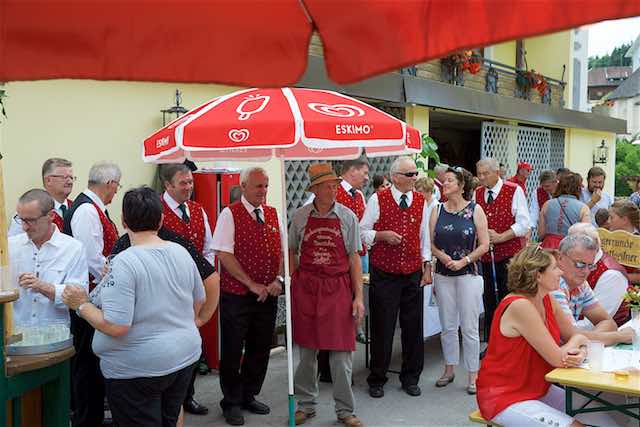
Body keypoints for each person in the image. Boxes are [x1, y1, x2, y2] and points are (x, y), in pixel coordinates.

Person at [62, 187, 205, 427]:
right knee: (169, 420)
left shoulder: (125, 261)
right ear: (161, 220)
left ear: (123, 221)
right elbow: (198, 300)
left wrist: (81, 305)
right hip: (182, 357)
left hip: (137, 369)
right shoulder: (180, 251)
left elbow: (116, 325)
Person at [477, 245, 589, 427]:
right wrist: (578, 341)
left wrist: (582, 349)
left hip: (536, 388)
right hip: (504, 396)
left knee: (600, 410)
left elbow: (574, 336)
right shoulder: (520, 305)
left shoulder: (547, 298)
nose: (561, 272)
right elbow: (560, 358)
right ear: (538, 275)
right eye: (555, 268)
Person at [289, 163, 365, 427]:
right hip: (308, 290)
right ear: (315, 189)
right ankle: (305, 405)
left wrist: (358, 297)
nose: (334, 190)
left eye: (335, 186)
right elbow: (291, 251)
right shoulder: (300, 217)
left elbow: (354, 258)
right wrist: (293, 283)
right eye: (328, 186)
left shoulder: (347, 217)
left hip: (337, 289)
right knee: (307, 354)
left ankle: (345, 410)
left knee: (341, 355)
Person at [212, 167, 284, 426]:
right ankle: (231, 401)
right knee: (233, 350)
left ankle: (248, 395)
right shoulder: (229, 214)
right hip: (237, 296)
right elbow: (223, 254)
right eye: (258, 186)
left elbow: (282, 252)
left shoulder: (273, 213)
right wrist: (251, 284)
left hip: (268, 295)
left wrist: (278, 280)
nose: (263, 191)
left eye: (266, 186)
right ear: (243, 186)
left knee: (260, 348)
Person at [361, 156, 432, 398]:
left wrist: (427, 266)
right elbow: (363, 231)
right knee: (383, 326)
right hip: (384, 273)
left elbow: (425, 237)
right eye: (410, 174)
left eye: (415, 174)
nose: (415, 178)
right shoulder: (377, 199)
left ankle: (411, 377)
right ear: (395, 177)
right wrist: (381, 235)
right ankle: (377, 378)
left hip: (412, 271)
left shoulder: (421, 201)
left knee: (413, 327)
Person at [63, 160, 121, 427]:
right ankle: (87, 420)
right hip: (89, 297)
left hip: (93, 295)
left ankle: (92, 416)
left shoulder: (92, 207)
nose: (116, 192)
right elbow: (91, 258)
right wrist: (113, 281)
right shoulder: (87, 210)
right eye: (117, 187)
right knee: (86, 364)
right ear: (110, 184)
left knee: (92, 363)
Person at [159, 163, 214, 415]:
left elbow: (208, 249)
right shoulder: (157, 211)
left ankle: (187, 396)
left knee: (192, 343)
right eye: (183, 183)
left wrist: (203, 278)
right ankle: (167, 399)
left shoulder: (197, 210)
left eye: (190, 182)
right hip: (166, 290)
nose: (189, 187)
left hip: (194, 289)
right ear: (167, 185)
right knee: (169, 345)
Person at [430, 167, 489, 394]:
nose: (444, 184)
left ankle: (473, 374)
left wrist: (464, 260)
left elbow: (484, 244)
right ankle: (449, 369)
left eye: (449, 181)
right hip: (443, 273)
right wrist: (442, 256)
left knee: (469, 326)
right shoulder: (437, 209)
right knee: (447, 325)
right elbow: (430, 242)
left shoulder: (475, 210)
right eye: (444, 181)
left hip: (468, 274)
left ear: (461, 185)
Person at [10, 189, 88, 328]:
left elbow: (79, 298)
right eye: (21, 219)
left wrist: (43, 287)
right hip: (15, 334)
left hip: (55, 335)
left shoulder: (73, 248)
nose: (24, 227)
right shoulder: (10, 246)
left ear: (51, 215)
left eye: (31, 220)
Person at [475, 158, 531, 343]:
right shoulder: (477, 193)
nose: (481, 177)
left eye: (486, 173)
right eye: (479, 174)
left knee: (509, 298)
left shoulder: (514, 190)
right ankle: (491, 342)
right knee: (489, 299)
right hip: (486, 256)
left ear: (497, 173)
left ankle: (510, 341)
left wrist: (501, 236)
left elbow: (524, 223)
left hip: (509, 256)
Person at [551, 234, 634, 346]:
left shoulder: (581, 284)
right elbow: (570, 335)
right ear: (560, 259)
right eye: (580, 264)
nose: (586, 271)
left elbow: (609, 323)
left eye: (590, 266)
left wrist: (587, 342)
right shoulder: (554, 286)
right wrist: (619, 336)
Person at [566, 223, 628, 326]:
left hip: (607, 334)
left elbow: (592, 324)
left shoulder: (612, 275)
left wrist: (560, 328)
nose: (570, 248)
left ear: (595, 244)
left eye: (578, 243)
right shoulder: (570, 263)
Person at [9, 157, 75, 236]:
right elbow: (14, 240)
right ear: (48, 180)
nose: (70, 182)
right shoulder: (29, 211)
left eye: (71, 177)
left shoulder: (76, 207)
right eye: (64, 177)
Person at [538, 172, 590, 249]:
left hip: (548, 247)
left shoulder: (547, 204)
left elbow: (541, 234)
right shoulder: (583, 208)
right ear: (578, 189)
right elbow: (585, 236)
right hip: (570, 248)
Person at [608, 200, 640, 285]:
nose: (608, 221)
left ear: (624, 220)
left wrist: (616, 277)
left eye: (611, 217)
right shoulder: (609, 239)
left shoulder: (637, 242)